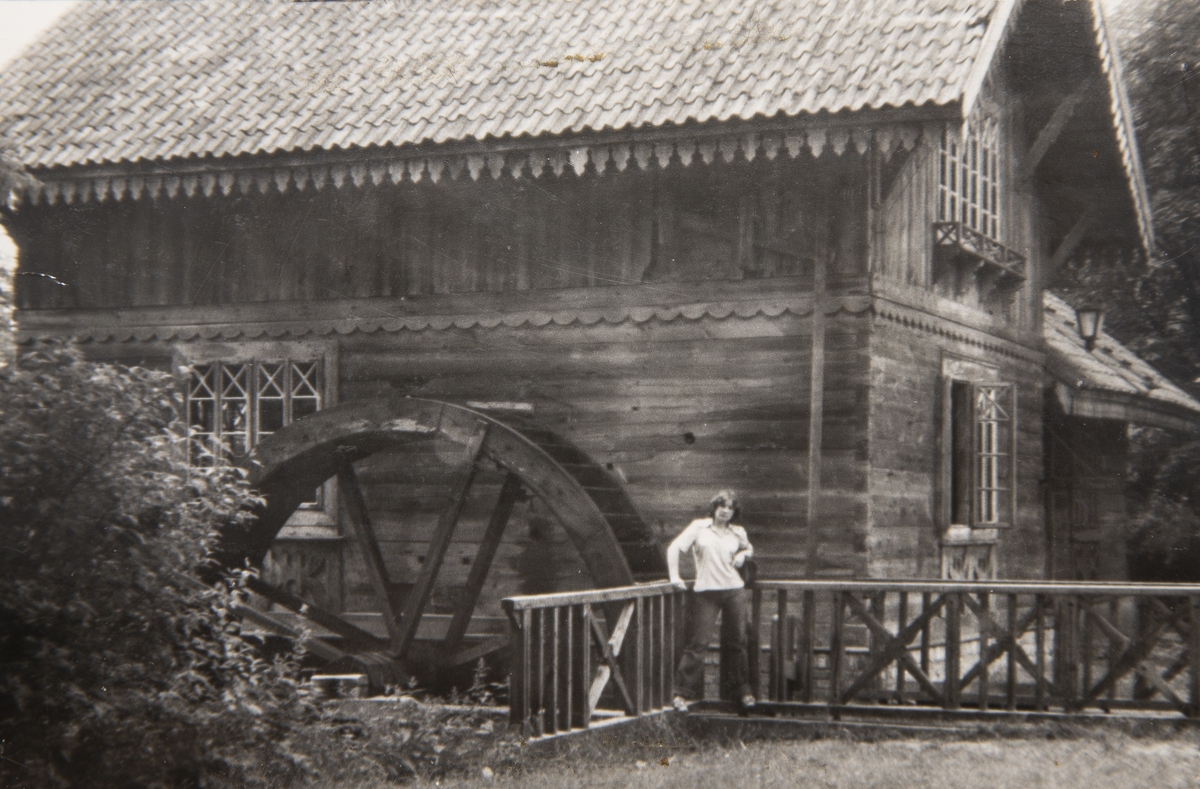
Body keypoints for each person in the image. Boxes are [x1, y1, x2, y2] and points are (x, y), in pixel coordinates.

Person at [667, 489, 755, 712]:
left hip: (734, 590)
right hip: (706, 593)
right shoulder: (699, 527)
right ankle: (681, 695)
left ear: (734, 512)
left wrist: (742, 555)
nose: (725, 511)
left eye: (730, 508)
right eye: (722, 506)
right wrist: (674, 577)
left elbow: (748, 548)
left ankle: (742, 692)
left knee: (737, 643)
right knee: (698, 643)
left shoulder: (738, 532)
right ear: (714, 507)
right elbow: (674, 548)